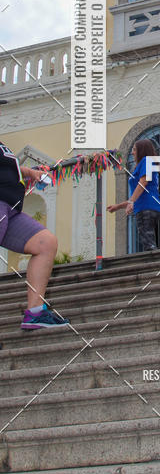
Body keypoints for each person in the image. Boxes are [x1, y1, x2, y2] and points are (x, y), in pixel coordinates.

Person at [0, 100, 70, 330]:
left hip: (11, 209)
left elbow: (9, 167)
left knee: (45, 242)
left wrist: (31, 172)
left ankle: (35, 313)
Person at [108, 138, 160, 251]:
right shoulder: (146, 163)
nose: (132, 153)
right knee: (148, 240)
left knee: (149, 244)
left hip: (146, 207)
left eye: (134, 150)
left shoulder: (146, 160)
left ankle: (154, 265)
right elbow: (137, 193)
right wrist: (118, 206)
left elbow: (143, 182)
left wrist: (131, 202)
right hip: (147, 206)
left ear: (141, 151)